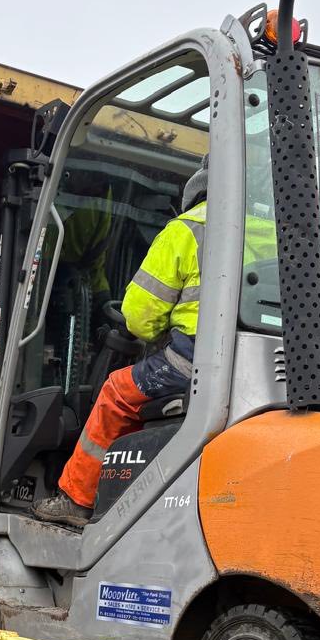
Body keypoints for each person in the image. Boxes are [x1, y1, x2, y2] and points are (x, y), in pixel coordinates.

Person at [33, 158, 276, 528]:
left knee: (117, 392)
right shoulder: (273, 234)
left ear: (197, 191)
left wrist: (144, 330)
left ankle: (77, 499)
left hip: (197, 362)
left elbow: (140, 316)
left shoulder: (187, 229)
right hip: (259, 368)